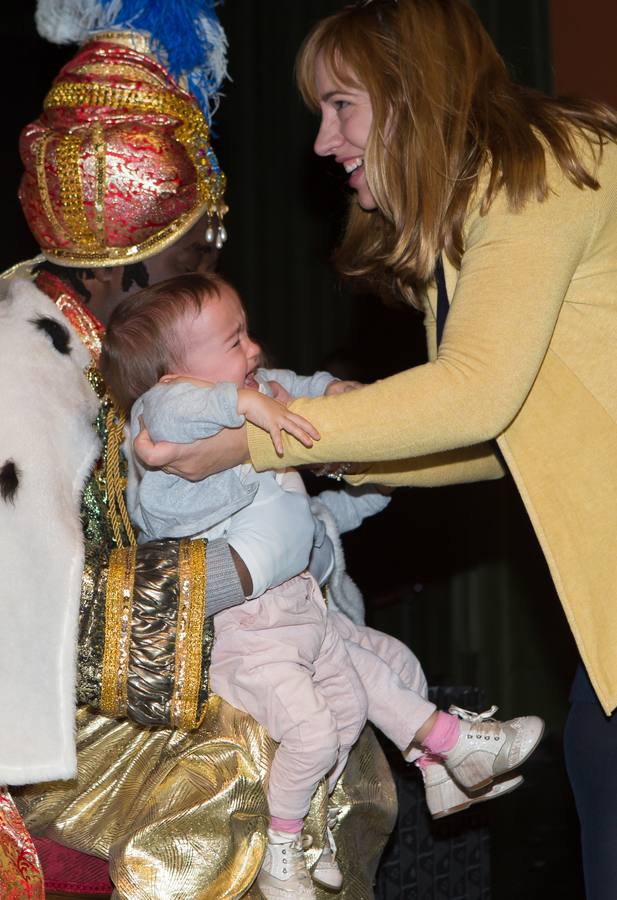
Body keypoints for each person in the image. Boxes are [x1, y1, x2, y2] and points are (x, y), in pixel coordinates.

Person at [133, 3, 617, 898]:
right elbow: (497, 438)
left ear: (412, 97)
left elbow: (470, 395)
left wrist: (253, 442)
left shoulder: (535, 174)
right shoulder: (476, 216)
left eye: (341, 106)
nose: (323, 141)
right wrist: (334, 455)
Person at [0, 6, 396, 899]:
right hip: (74, 719)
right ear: (128, 269)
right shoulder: (22, 367)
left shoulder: (128, 340)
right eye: (196, 249)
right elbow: (39, 613)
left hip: (165, 670)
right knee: (242, 772)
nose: (214, 264)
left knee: (339, 701)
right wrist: (243, 570)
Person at [102, 270, 544, 897]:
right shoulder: (162, 419)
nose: (253, 350)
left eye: (247, 333)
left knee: (390, 666)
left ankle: (440, 762)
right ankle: (306, 834)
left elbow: (294, 392)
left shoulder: (243, 397)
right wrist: (244, 405)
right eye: (234, 342)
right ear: (174, 372)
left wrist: (333, 391)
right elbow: (176, 407)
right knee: (326, 721)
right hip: (244, 624)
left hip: (295, 608)